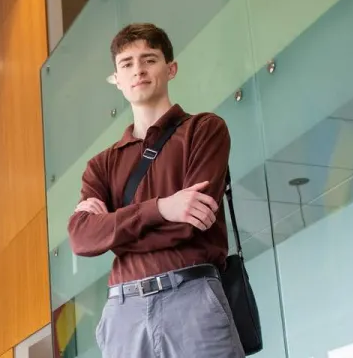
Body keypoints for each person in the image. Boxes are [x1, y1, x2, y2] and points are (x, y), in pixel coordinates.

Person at [68, 23, 243, 358]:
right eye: (127, 64)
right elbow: (82, 238)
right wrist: (163, 208)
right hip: (123, 310)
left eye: (149, 59)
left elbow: (190, 223)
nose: (138, 70)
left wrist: (113, 229)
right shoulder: (101, 165)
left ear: (171, 68)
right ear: (117, 79)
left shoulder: (204, 130)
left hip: (191, 297)